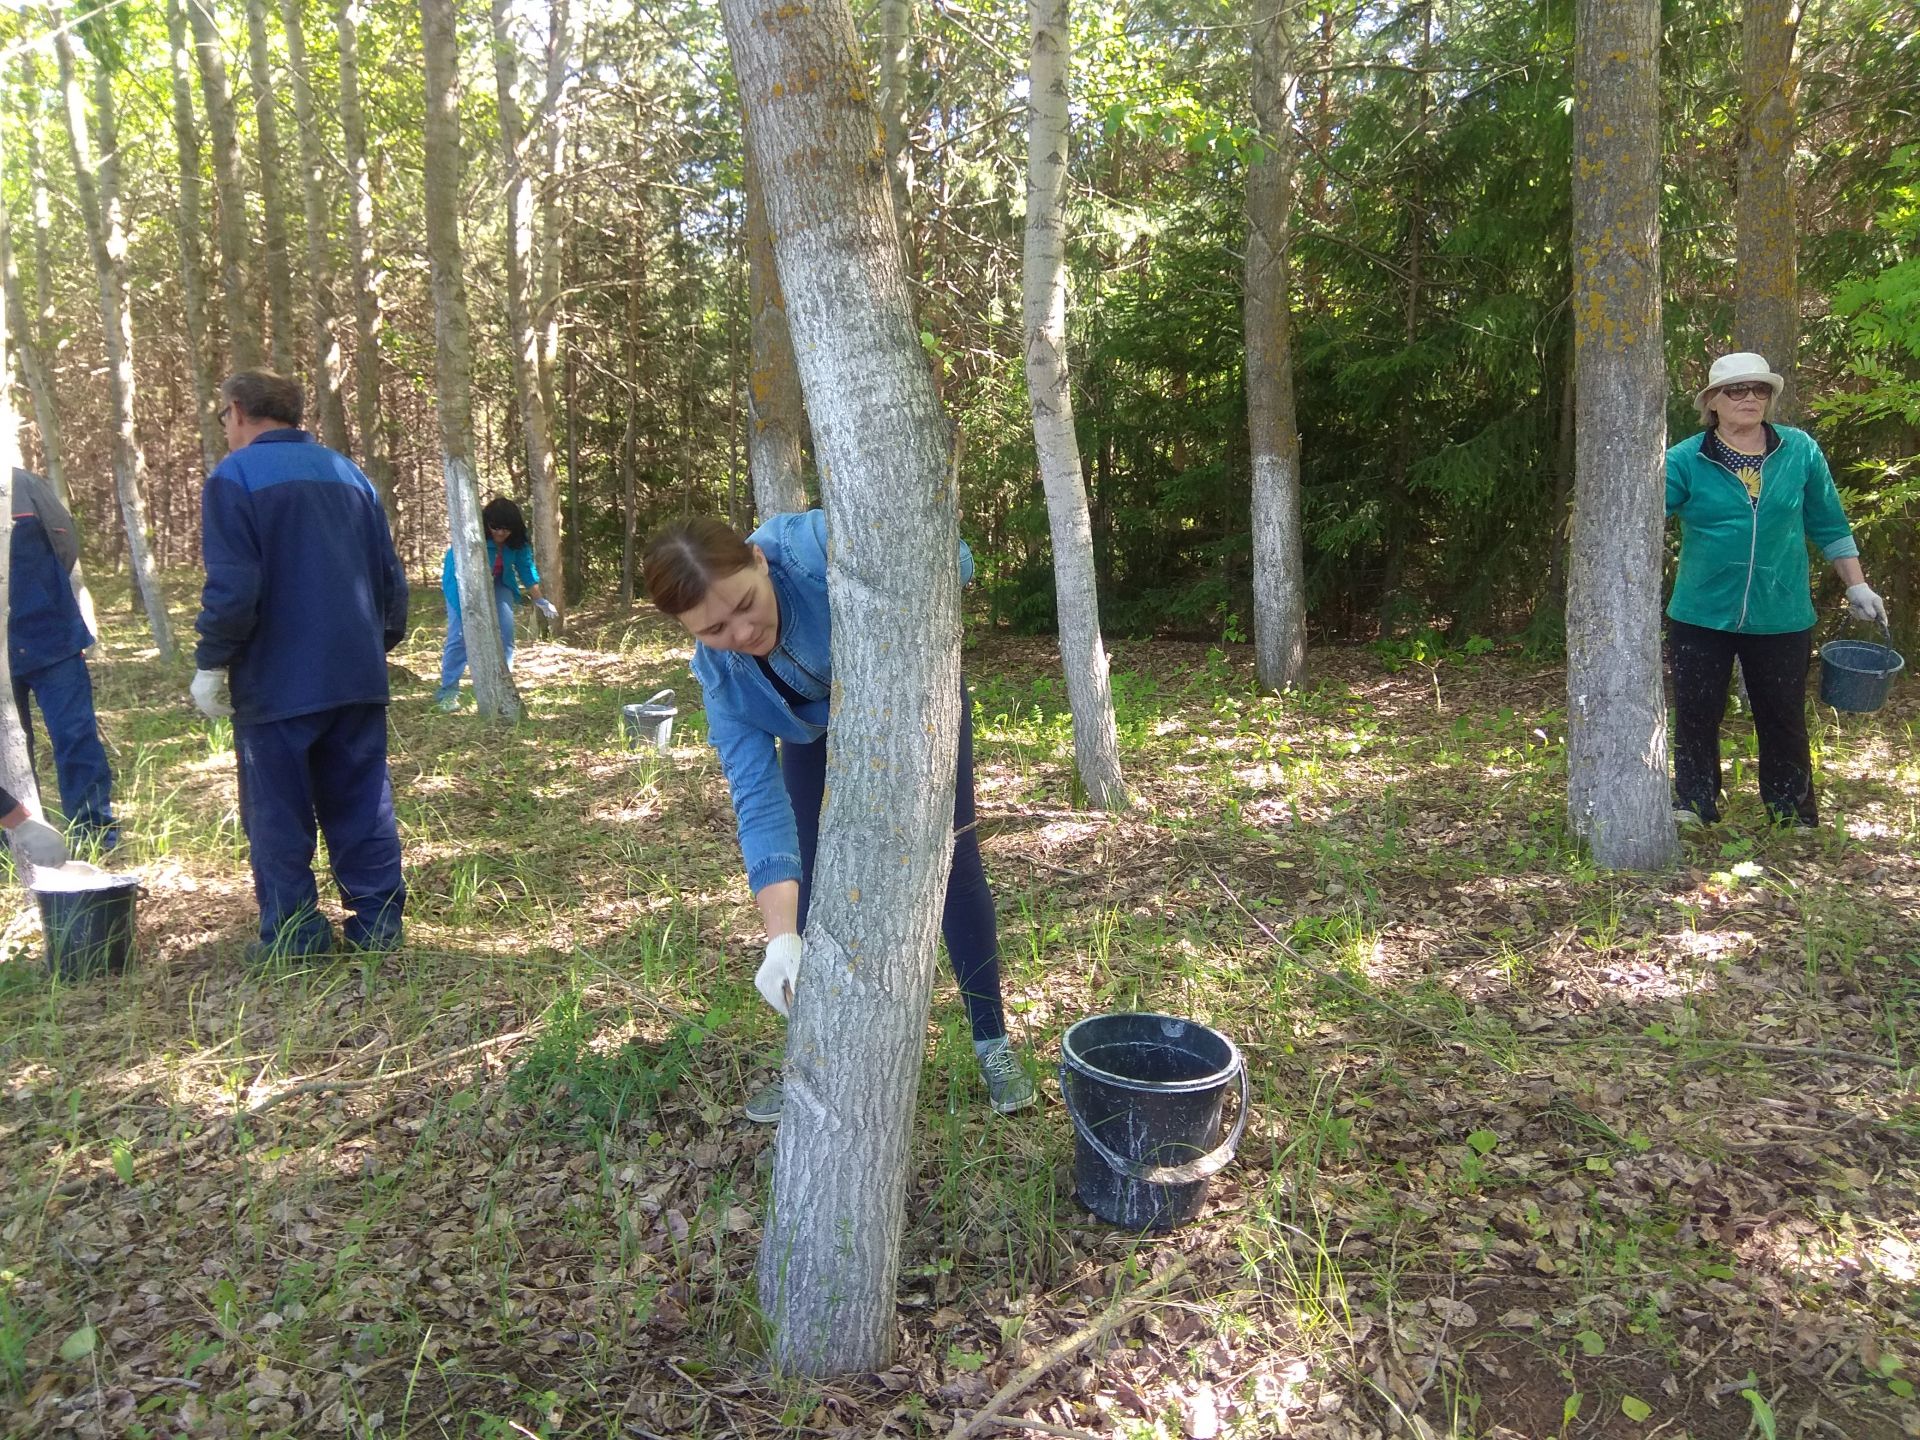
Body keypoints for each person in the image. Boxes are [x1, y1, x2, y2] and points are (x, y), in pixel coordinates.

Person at [642, 510, 1036, 1122]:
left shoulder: (812, 546)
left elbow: (954, 559)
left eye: (746, 604)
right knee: (812, 878)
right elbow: (756, 799)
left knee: (952, 860)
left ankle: (993, 1044)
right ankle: (817, 1056)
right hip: (813, 733)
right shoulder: (720, 679)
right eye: (715, 628)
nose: (742, 633)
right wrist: (780, 938)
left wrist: (892, 568)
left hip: (912, 704)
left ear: (759, 560)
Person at [190, 370, 410, 962]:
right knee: (363, 803)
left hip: (277, 683)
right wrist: (373, 645)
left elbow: (234, 587)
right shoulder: (349, 473)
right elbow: (389, 577)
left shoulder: (233, 477)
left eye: (222, 418)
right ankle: (379, 927)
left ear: (236, 410)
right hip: (356, 677)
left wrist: (212, 661)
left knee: (278, 814)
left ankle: (294, 938)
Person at [1664, 352, 1888, 828]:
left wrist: (1858, 586)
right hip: (1701, 611)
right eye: (1736, 390)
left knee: (1783, 716)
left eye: (1759, 390)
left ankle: (1791, 811)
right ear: (1712, 402)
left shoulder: (1800, 451)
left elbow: (1829, 524)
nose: (1749, 398)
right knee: (1697, 713)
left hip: (1782, 610)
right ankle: (1694, 803)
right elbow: (1638, 523)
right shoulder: (1685, 459)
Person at [8, 467, 116, 849]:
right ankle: (17, 838)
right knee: (8, 748)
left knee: (75, 735)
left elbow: (64, 543)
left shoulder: (24, 485)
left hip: (52, 635)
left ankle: (94, 829)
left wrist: (41, 596)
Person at [435, 496, 554, 712]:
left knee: (506, 635)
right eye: (495, 527)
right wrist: (466, 612)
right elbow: (455, 576)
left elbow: (526, 568)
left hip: (499, 583)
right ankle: (448, 692)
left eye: (505, 529)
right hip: (462, 587)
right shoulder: (470, 537)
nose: (500, 533)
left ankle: (502, 688)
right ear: (487, 523)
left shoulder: (517, 542)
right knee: (459, 637)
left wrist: (540, 600)